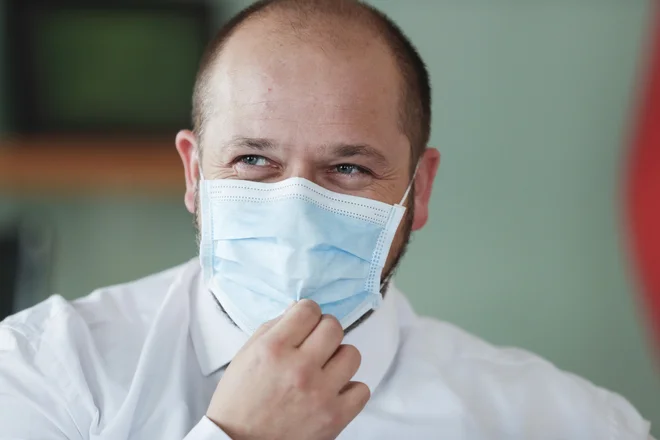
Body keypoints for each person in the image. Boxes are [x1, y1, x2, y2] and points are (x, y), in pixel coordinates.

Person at [0, 0, 653, 438]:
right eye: (254, 159)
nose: (297, 206)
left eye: (348, 169)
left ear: (418, 189)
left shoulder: (565, 424)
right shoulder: (48, 373)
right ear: (195, 174)